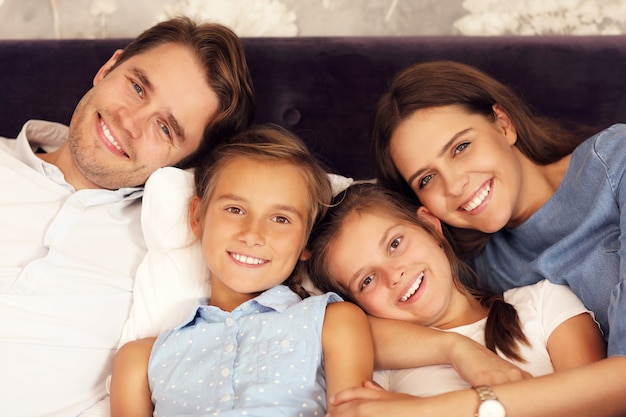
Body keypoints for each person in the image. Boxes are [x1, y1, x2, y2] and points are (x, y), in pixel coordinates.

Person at [334, 59, 626, 416]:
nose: (454, 185)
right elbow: (341, 327)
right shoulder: (471, 262)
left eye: (460, 147)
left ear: (503, 124)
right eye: (426, 179)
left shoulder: (617, 161)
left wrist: (434, 409)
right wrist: (454, 349)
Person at [0, 16, 254, 417]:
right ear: (108, 68)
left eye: (166, 129)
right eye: (136, 87)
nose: (130, 121)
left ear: (186, 162)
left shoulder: (178, 243)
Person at [108, 124, 374, 417]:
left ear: (306, 242)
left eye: (281, 219)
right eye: (235, 210)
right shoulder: (141, 360)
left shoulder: (332, 321)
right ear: (197, 216)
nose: (252, 234)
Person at [307, 182, 604, 402]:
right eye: (367, 280)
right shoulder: (377, 370)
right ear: (356, 304)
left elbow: (598, 404)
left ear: (430, 226)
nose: (393, 275)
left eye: (395, 243)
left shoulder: (544, 304)